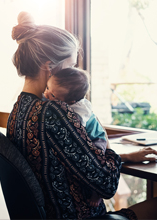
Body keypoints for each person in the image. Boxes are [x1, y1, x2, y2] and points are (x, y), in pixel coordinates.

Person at [7, 11, 157, 220]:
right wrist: (110, 151)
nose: (72, 74)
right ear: (49, 67)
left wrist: (125, 157)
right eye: (70, 67)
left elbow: (65, 160)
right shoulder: (54, 112)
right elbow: (106, 185)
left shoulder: (19, 109)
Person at [43, 67, 108, 207]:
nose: (46, 93)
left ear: (71, 101)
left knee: (97, 162)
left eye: (52, 95)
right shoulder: (63, 101)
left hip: (97, 138)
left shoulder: (79, 111)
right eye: (47, 87)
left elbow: (76, 129)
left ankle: (97, 193)